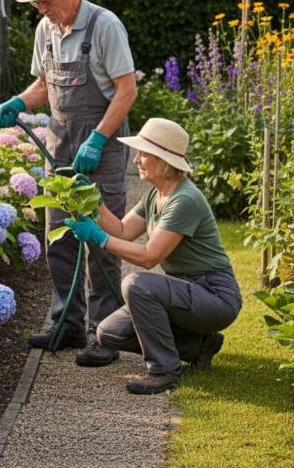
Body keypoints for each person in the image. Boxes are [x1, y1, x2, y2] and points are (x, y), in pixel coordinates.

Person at [0, 0, 137, 367]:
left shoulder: (104, 25)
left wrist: (97, 139)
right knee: (59, 236)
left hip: (101, 148)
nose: (41, 8)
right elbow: (44, 84)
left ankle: (105, 332)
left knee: (102, 238)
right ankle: (67, 324)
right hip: (58, 147)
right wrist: (19, 101)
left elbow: (127, 91)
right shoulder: (46, 28)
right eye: (36, 1)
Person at [64, 117, 242, 394]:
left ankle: (165, 369)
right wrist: (94, 201)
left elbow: (149, 257)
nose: (136, 159)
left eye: (143, 153)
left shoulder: (184, 200)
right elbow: (122, 231)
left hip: (214, 295)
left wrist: (98, 238)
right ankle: (199, 346)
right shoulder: (155, 195)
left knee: (137, 284)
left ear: (162, 159)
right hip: (186, 291)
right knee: (108, 333)